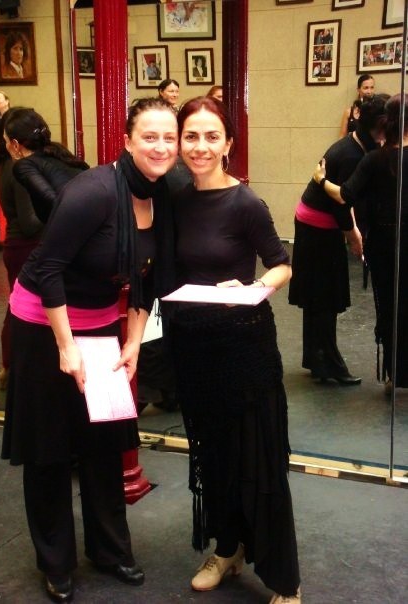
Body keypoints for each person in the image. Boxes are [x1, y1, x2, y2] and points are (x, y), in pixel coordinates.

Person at [1, 97, 178, 602]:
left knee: (103, 445)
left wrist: (134, 341)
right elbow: (48, 268)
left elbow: (148, 279)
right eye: (149, 136)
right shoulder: (93, 192)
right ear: (127, 140)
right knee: (50, 449)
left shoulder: (163, 195)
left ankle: (109, 550)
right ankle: (56, 562)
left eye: (169, 137)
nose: (161, 147)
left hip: (101, 327)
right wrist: (65, 346)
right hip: (44, 326)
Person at [160, 96, 300, 602]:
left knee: (257, 459)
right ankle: (227, 548)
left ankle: (284, 579)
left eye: (211, 136)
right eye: (191, 136)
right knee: (214, 456)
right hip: (194, 348)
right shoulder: (175, 200)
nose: (200, 146)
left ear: (228, 144)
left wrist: (254, 288)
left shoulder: (245, 203)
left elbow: (282, 264)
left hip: (244, 347)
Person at [289, 95, 388, 386]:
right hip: (318, 226)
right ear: (377, 127)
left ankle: (317, 360)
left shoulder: (355, 145)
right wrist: (354, 236)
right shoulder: (351, 155)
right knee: (325, 298)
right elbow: (342, 203)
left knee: (318, 298)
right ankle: (328, 365)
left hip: (314, 223)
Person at [313, 93, 408, 396]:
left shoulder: (375, 159)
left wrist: (320, 180)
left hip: (384, 244)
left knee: (389, 307)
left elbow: (345, 195)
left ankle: (395, 373)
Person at [0, 109, 44, 391]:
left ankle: (11, 367)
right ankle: (16, 369)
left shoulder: (9, 165)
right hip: (26, 247)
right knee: (24, 311)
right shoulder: (20, 168)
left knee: (17, 308)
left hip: (19, 248)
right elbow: (29, 223)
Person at [3, 108, 89, 224]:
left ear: (15, 144)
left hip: (79, 226)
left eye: (6, 141)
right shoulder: (58, 151)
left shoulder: (23, 165)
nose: (6, 146)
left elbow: (56, 205)